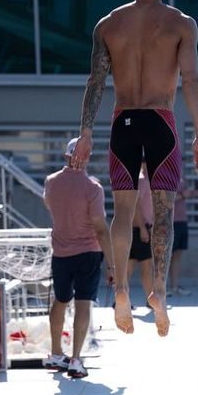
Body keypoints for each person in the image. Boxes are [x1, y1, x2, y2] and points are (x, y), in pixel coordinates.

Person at [71, 0, 198, 337]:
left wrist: (85, 131)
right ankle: (159, 291)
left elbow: (95, 82)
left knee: (123, 210)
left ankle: (119, 291)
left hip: (123, 123)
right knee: (162, 211)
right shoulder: (181, 24)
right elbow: (192, 80)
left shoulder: (108, 24)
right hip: (161, 122)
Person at [43, 137, 115, 378]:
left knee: (61, 300)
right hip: (88, 252)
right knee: (83, 303)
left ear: (66, 155)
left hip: (61, 251)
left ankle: (55, 353)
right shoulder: (92, 188)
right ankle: (75, 359)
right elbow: (101, 228)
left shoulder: (51, 182)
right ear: (87, 157)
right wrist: (113, 264)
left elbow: (51, 207)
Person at [128, 161, 154, 305]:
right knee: (132, 267)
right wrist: (143, 228)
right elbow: (135, 205)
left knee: (146, 267)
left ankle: (150, 300)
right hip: (138, 229)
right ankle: (122, 300)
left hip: (145, 228)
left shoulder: (147, 180)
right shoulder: (141, 180)